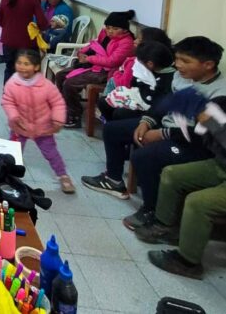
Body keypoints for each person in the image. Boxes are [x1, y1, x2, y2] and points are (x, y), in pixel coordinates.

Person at [81, 36, 226, 230]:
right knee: (113, 129)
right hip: (167, 128)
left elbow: (203, 134)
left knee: (145, 156)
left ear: (208, 64)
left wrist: (162, 134)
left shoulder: (220, 94)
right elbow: (163, 104)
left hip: (195, 144)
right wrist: (146, 122)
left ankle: (151, 210)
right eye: (177, 59)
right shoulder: (182, 78)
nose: (178, 65)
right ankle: (114, 180)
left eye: (185, 61)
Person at [133, 89, 226, 279]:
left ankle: (187, 263)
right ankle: (165, 227)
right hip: (221, 164)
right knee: (172, 174)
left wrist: (210, 120)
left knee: (198, 202)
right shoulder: (219, 106)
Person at [2, 50, 74, 193]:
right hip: (19, 126)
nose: (22, 67)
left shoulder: (46, 85)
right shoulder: (12, 83)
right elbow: (7, 101)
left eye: (26, 64)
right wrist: (14, 116)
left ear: (36, 67)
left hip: (43, 127)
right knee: (13, 152)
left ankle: (63, 175)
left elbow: (58, 102)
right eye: (19, 63)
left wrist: (58, 119)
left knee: (51, 153)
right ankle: (8, 175)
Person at [55, 10, 136, 128]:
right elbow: (94, 44)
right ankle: (67, 106)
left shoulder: (126, 42)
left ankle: (74, 116)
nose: (110, 31)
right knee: (60, 75)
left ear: (125, 29)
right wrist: (82, 53)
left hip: (108, 71)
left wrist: (89, 59)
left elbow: (112, 61)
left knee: (70, 83)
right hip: (94, 65)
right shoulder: (105, 34)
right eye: (108, 27)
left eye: (115, 28)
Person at [97, 41, 175, 122]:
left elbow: (157, 103)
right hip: (136, 98)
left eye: (140, 62)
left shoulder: (169, 78)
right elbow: (133, 84)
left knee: (120, 113)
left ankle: (116, 128)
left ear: (150, 64)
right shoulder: (148, 69)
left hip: (150, 110)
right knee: (103, 102)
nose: (138, 63)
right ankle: (111, 125)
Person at [0, 0, 48, 83]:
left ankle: (8, 96)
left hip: (8, 41)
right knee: (28, 73)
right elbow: (42, 23)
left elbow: (0, 22)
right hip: (27, 43)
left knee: (9, 69)